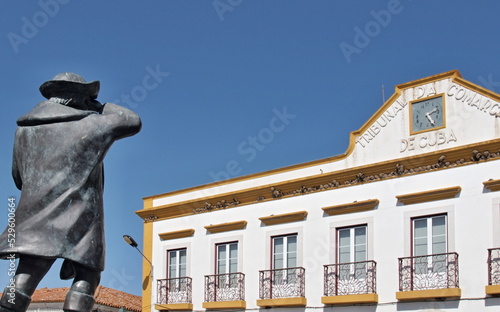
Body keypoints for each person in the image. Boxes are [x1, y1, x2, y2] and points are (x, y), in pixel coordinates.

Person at [0, 73, 142, 312]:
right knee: (87, 276)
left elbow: (18, 177)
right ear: (79, 98)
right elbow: (131, 120)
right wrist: (100, 106)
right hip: (81, 217)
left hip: (35, 215)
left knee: (27, 273)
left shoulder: (23, 130)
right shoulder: (90, 124)